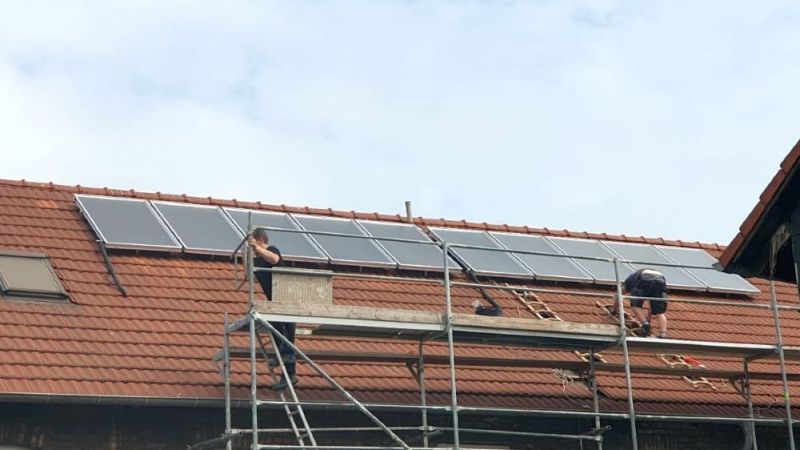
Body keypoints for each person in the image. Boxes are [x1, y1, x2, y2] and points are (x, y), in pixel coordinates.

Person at [248, 228, 297, 390]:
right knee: (277, 332)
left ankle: (289, 372)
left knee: (286, 334)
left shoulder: (271, 250)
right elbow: (251, 278)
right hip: (274, 301)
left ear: (260, 240)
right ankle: (287, 370)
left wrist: (258, 248)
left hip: (286, 300)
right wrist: (247, 259)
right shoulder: (257, 260)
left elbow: (275, 260)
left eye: (254, 243)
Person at [623, 268, 668, 338]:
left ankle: (645, 325)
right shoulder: (639, 275)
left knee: (635, 305)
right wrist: (648, 320)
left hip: (646, 278)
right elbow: (651, 306)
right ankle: (663, 333)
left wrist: (613, 311)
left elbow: (619, 295)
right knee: (660, 312)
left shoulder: (628, 281)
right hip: (661, 280)